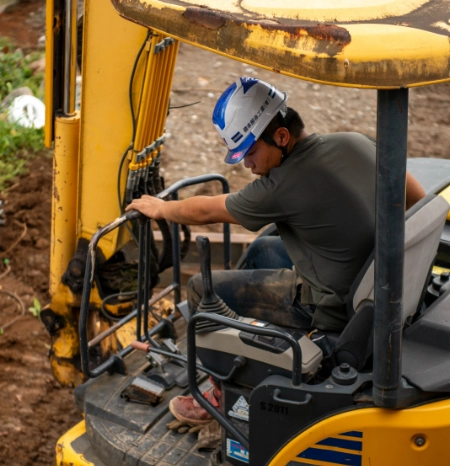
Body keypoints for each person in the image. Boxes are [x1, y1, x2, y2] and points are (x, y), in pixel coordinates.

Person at [126, 76, 426, 425]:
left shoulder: (281, 186)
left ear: (282, 137)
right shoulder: (355, 141)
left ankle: (226, 392)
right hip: (368, 279)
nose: (246, 165)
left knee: (199, 290)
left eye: (250, 152)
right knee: (264, 249)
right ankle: (241, 342)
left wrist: (161, 209)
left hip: (329, 308)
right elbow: (415, 197)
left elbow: (207, 210)